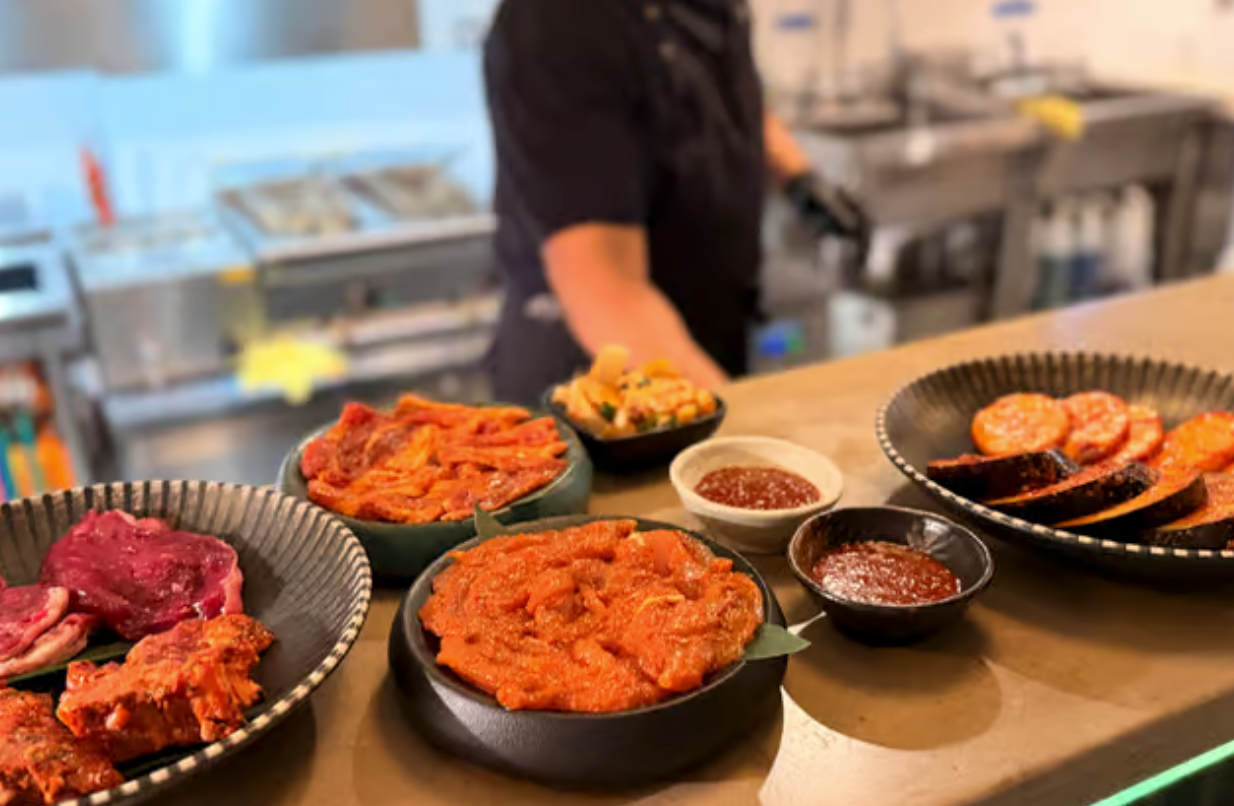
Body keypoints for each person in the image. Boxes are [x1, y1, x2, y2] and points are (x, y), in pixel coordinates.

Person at [483, 0, 870, 405]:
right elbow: (610, 293)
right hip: (607, 380)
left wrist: (800, 179)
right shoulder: (561, 23)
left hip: (700, 335)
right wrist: (739, 419)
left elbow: (723, 95)